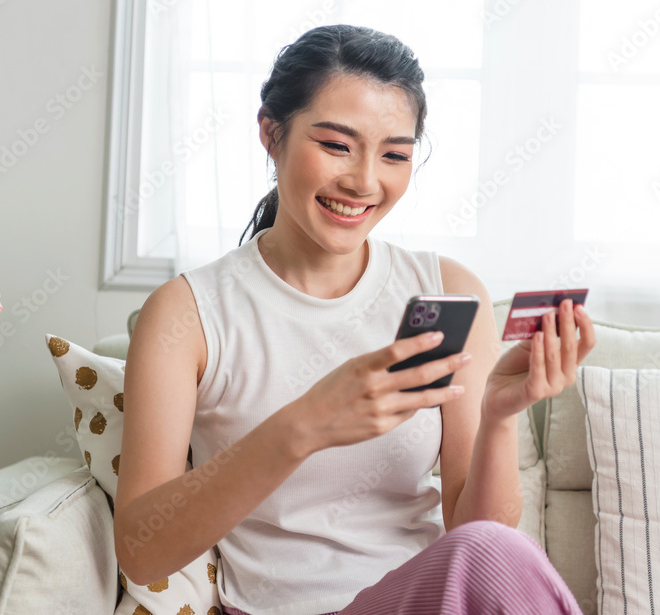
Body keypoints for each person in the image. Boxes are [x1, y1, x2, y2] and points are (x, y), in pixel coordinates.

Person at [113, 24, 596, 615]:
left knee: (493, 548)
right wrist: (307, 424)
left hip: (423, 602)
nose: (365, 181)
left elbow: (479, 534)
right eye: (337, 145)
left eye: (394, 154)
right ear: (271, 133)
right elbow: (140, 551)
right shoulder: (189, 313)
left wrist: (499, 412)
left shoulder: (446, 292)